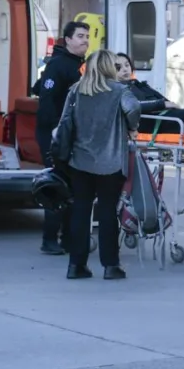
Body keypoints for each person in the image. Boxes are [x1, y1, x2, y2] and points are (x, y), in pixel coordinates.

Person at [59, 49, 141, 280]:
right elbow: (134, 108)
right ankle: (110, 265)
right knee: (107, 212)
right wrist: (131, 126)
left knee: (81, 212)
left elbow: (65, 120)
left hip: (80, 160)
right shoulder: (119, 91)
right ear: (108, 67)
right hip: (110, 161)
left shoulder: (76, 90)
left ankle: (76, 265)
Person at [34, 21, 91, 255]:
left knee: (72, 188)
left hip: (73, 135)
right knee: (56, 185)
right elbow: (46, 98)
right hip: (55, 134)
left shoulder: (80, 65)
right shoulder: (58, 66)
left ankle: (68, 238)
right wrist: (55, 133)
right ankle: (49, 239)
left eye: (87, 36)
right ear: (67, 40)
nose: (85, 40)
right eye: (80, 36)